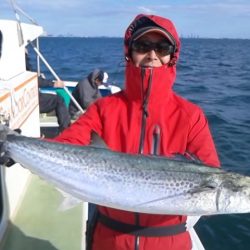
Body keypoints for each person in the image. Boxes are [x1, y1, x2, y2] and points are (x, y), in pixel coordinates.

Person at [53, 14, 220, 250]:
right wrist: (18, 146)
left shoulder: (191, 116)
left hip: (169, 243)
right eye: (142, 46)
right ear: (129, 52)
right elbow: (68, 144)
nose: (152, 55)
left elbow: (210, 178)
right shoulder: (104, 109)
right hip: (109, 241)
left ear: (173, 56)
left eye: (162, 47)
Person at [25, 50, 71, 133]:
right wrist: (54, 84)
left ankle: (66, 128)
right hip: (31, 99)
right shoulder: (23, 61)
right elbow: (34, 80)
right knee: (59, 100)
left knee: (58, 99)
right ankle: (66, 130)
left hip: (29, 96)